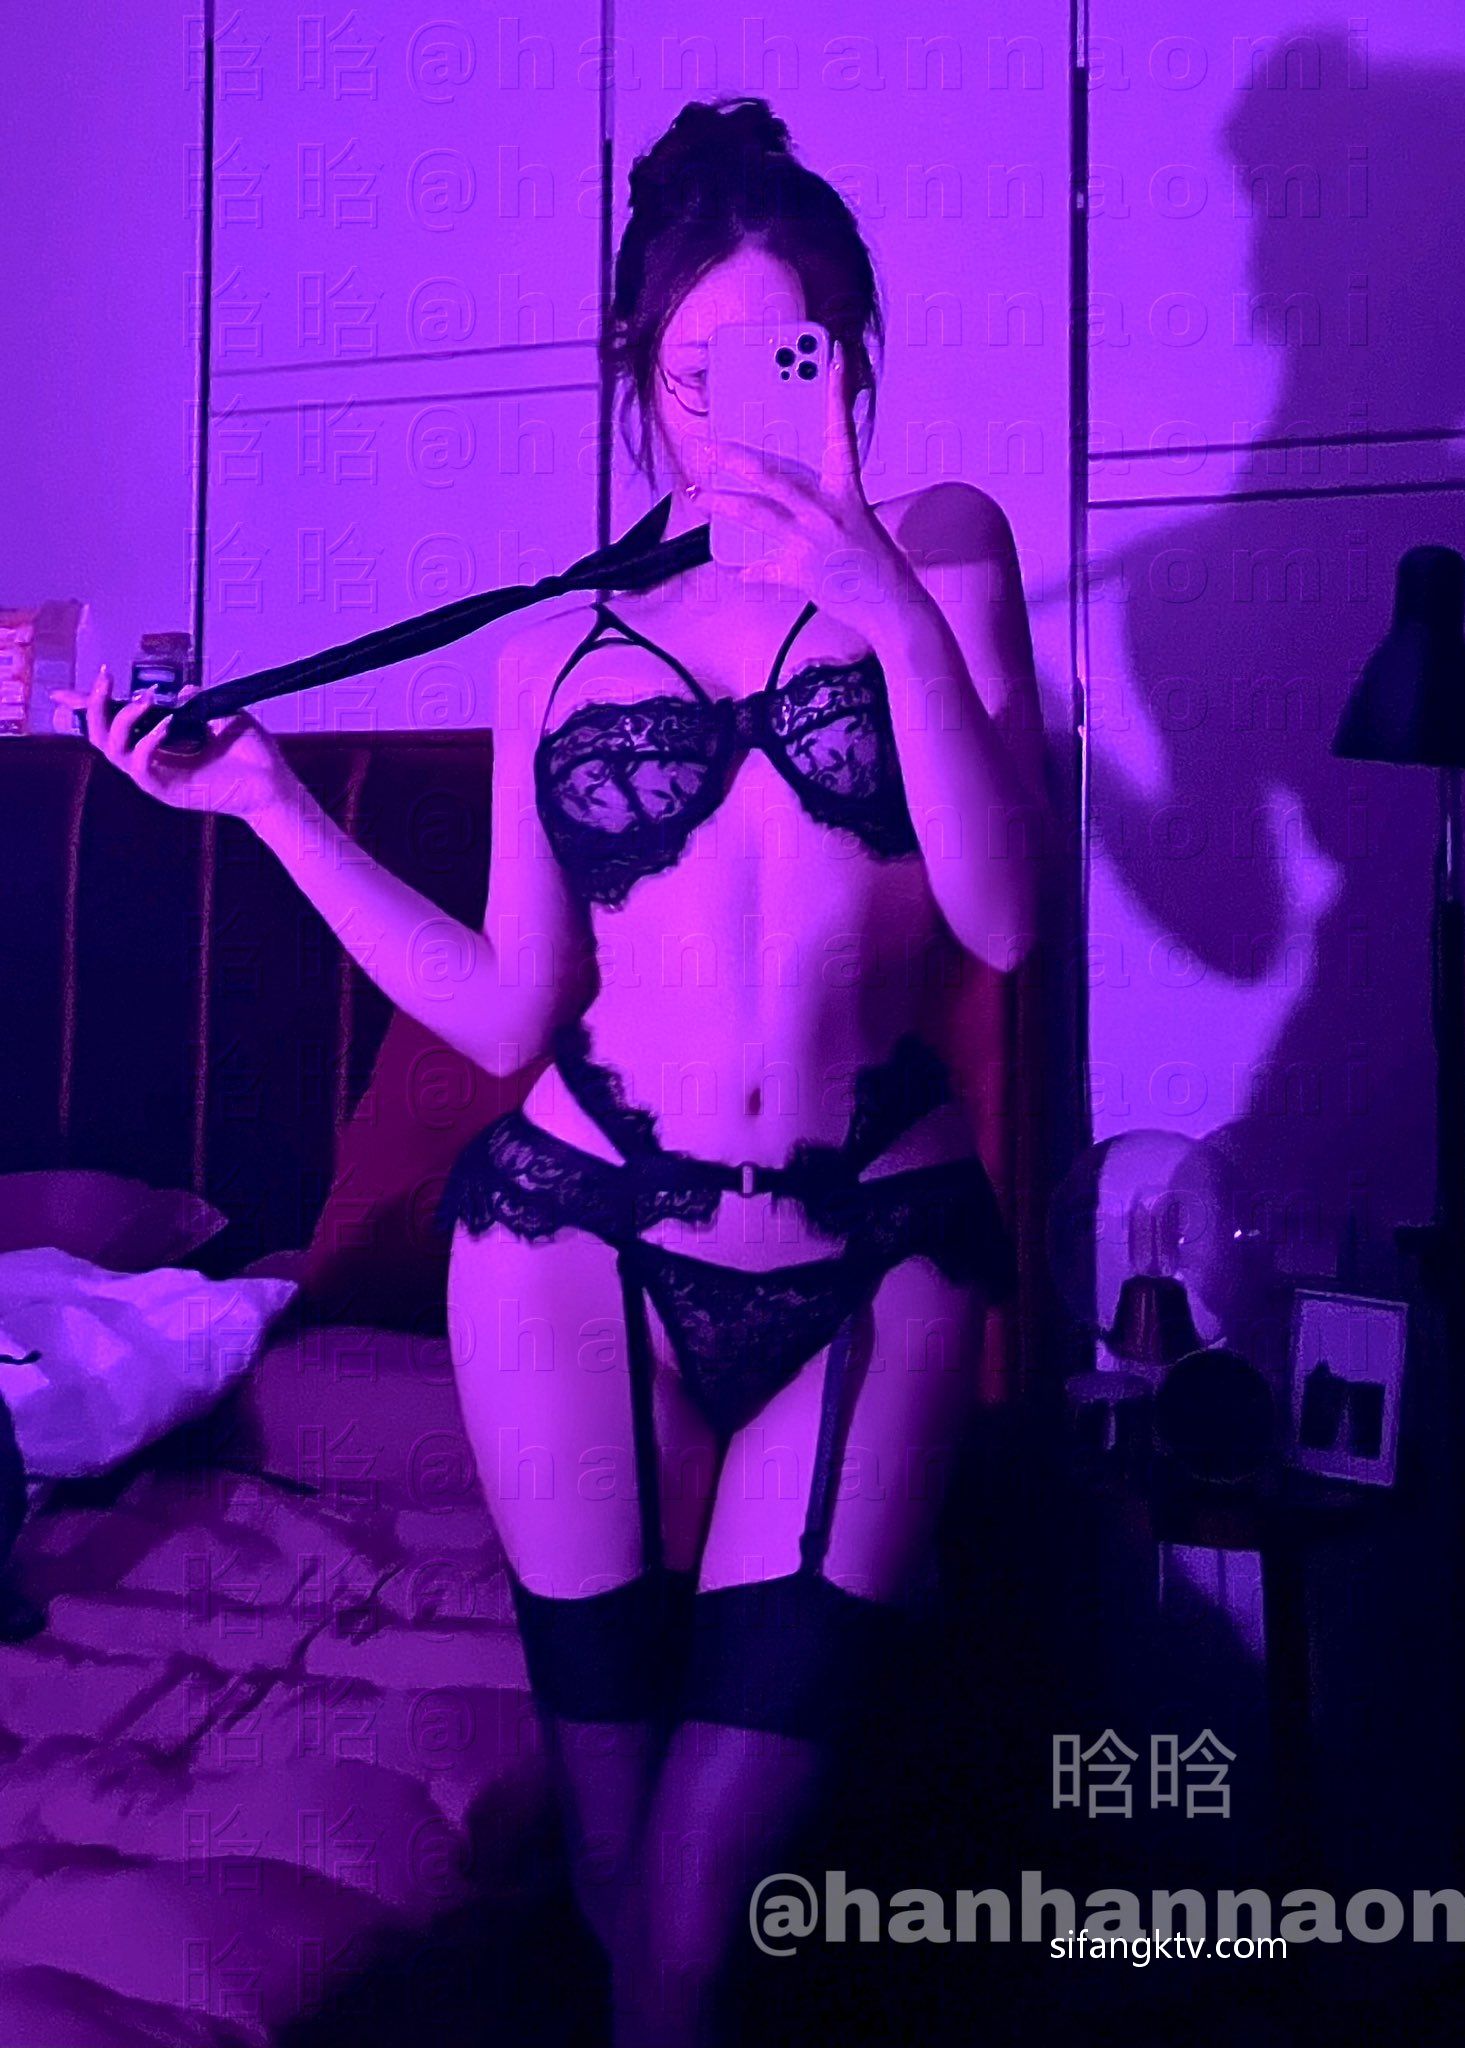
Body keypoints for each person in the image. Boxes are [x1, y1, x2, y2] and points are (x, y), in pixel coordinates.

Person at [58, 94, 1050, 2048]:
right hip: (571, 1249)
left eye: (786, 359)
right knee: (612, 1861)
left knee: (703, 1877)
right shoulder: (561, 652)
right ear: (640, 386)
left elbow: (1005, 918)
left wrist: (873, 597)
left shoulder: (945, 555)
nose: (741, 419)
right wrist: (270, 805)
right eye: (694, 377)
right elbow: (508, 1012)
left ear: (852, 356)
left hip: (873, 1252)